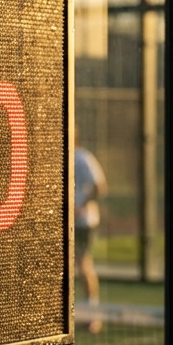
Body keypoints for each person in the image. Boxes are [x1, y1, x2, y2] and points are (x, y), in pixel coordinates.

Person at [74, 141, 106, 333]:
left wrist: (81, 207)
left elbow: (99, 186)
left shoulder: (83, 158)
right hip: (63, 222)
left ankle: (93, 315)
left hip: (83, 222)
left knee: (83, 263)